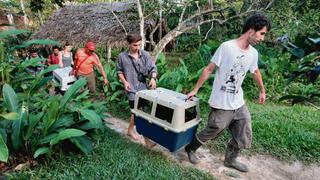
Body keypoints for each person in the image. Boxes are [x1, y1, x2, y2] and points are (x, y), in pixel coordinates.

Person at [184, 13, 271, 172]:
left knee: (244, 129)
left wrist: (262, 91)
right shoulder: (227, 47)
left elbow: (256, 71)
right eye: (262, 33)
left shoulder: (253, 53)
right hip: (222, 101)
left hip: (238, 101)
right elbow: (209, 69)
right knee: (215, 128)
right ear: (251, 30)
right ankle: (191, 148)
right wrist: (195, 89)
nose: (262, 38)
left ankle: (230, 160)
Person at [116, 33, 157, 146]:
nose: (138, 47)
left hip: (144, 89)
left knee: (137, 112)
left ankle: (130, 130)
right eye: (135, 45)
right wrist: (125, 82)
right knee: (139, 113)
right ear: (128, 44)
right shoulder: (122, 57)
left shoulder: (145, 54)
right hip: (132, 90)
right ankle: (147, 140)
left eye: (139, 45)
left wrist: (153, 78)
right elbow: (119, 71)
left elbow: (152, 68)